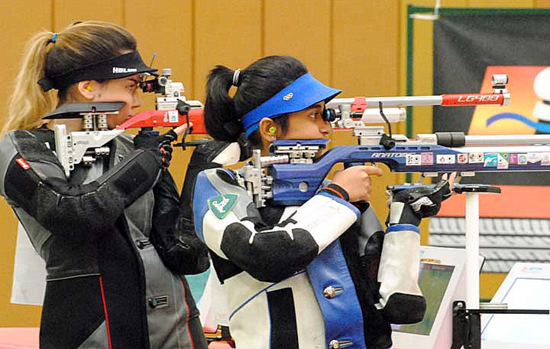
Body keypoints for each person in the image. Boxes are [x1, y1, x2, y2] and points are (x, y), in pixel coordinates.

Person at [191, 55, 450, 349]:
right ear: (269, 129)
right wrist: (338, 197)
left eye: (326, 115)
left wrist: (405, 222)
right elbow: (263, 255)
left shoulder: (334, 198)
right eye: (314, 116)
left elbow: (401, 307)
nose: (327, 130)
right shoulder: (221, 186)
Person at [0, 21, 209, 349]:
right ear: (88, 89)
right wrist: (148, 161)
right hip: (94, 332)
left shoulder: (132, 149)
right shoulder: (22, 146)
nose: (137, 102)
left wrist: (204, 166)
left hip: (176, 330)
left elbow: (186, 257)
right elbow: (74, 214)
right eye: (130, 86)